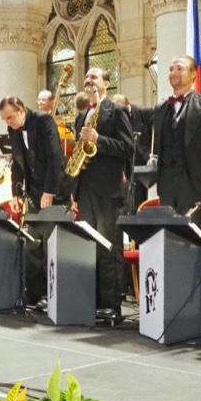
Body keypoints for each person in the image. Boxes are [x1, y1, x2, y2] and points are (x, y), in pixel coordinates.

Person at [73, 67, 133, 320]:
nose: (88, 80)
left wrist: (99, 140)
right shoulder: (81, 116)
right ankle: (93, 299)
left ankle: (111, 304)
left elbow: (128, 148)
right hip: (86, 188)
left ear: (106, 84)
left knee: (109, 246)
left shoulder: (116, 111)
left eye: (94, 77)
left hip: (108, 189)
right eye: (86, 77)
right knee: (90, 246)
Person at [0, 96, 71, 307]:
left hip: (54, 190)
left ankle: (52, 293)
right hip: (33, 192)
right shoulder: (14, 129)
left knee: (51, 243)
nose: (8, 123)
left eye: (10, 117)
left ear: (21, 110)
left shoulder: (43, 121)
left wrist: (49, 191)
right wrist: (15, 193)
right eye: (5, 119)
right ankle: (34, 292)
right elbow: (17, 163)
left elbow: (55, 157)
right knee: (32, 243)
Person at [153, 55, 201, 225]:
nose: (174, 73)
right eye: (171, 69)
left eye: (179, 69)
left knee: (196, 236)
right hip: (167, 189)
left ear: (194, 73)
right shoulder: (161, 108)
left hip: (197, 187)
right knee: (169, 236)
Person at [111, 93, 154, 209]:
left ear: (127, 106)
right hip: (127, 162)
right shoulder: (115, 117)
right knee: (127, 201)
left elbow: (157, 131)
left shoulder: (145, 112)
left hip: (143, 159)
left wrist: (153, 154)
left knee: (139, 200)